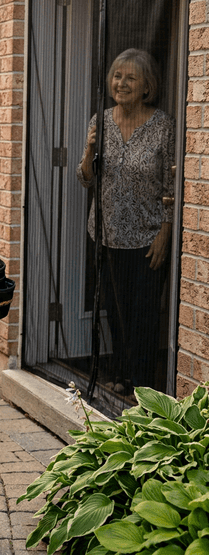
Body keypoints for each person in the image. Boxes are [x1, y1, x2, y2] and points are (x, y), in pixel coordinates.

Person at [77, 48, 175, 393]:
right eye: (117, 76)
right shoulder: (100, 120)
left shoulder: (163, 126)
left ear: (147, 85)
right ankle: (119, 376)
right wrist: (89, 153)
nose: (121, 83)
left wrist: (165, 232)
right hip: (105, 233)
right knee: (114, 311)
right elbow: (86, 178)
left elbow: (171, 184)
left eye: (131, 77)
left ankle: (143, 386)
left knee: (143, 315)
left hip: (147, 236)